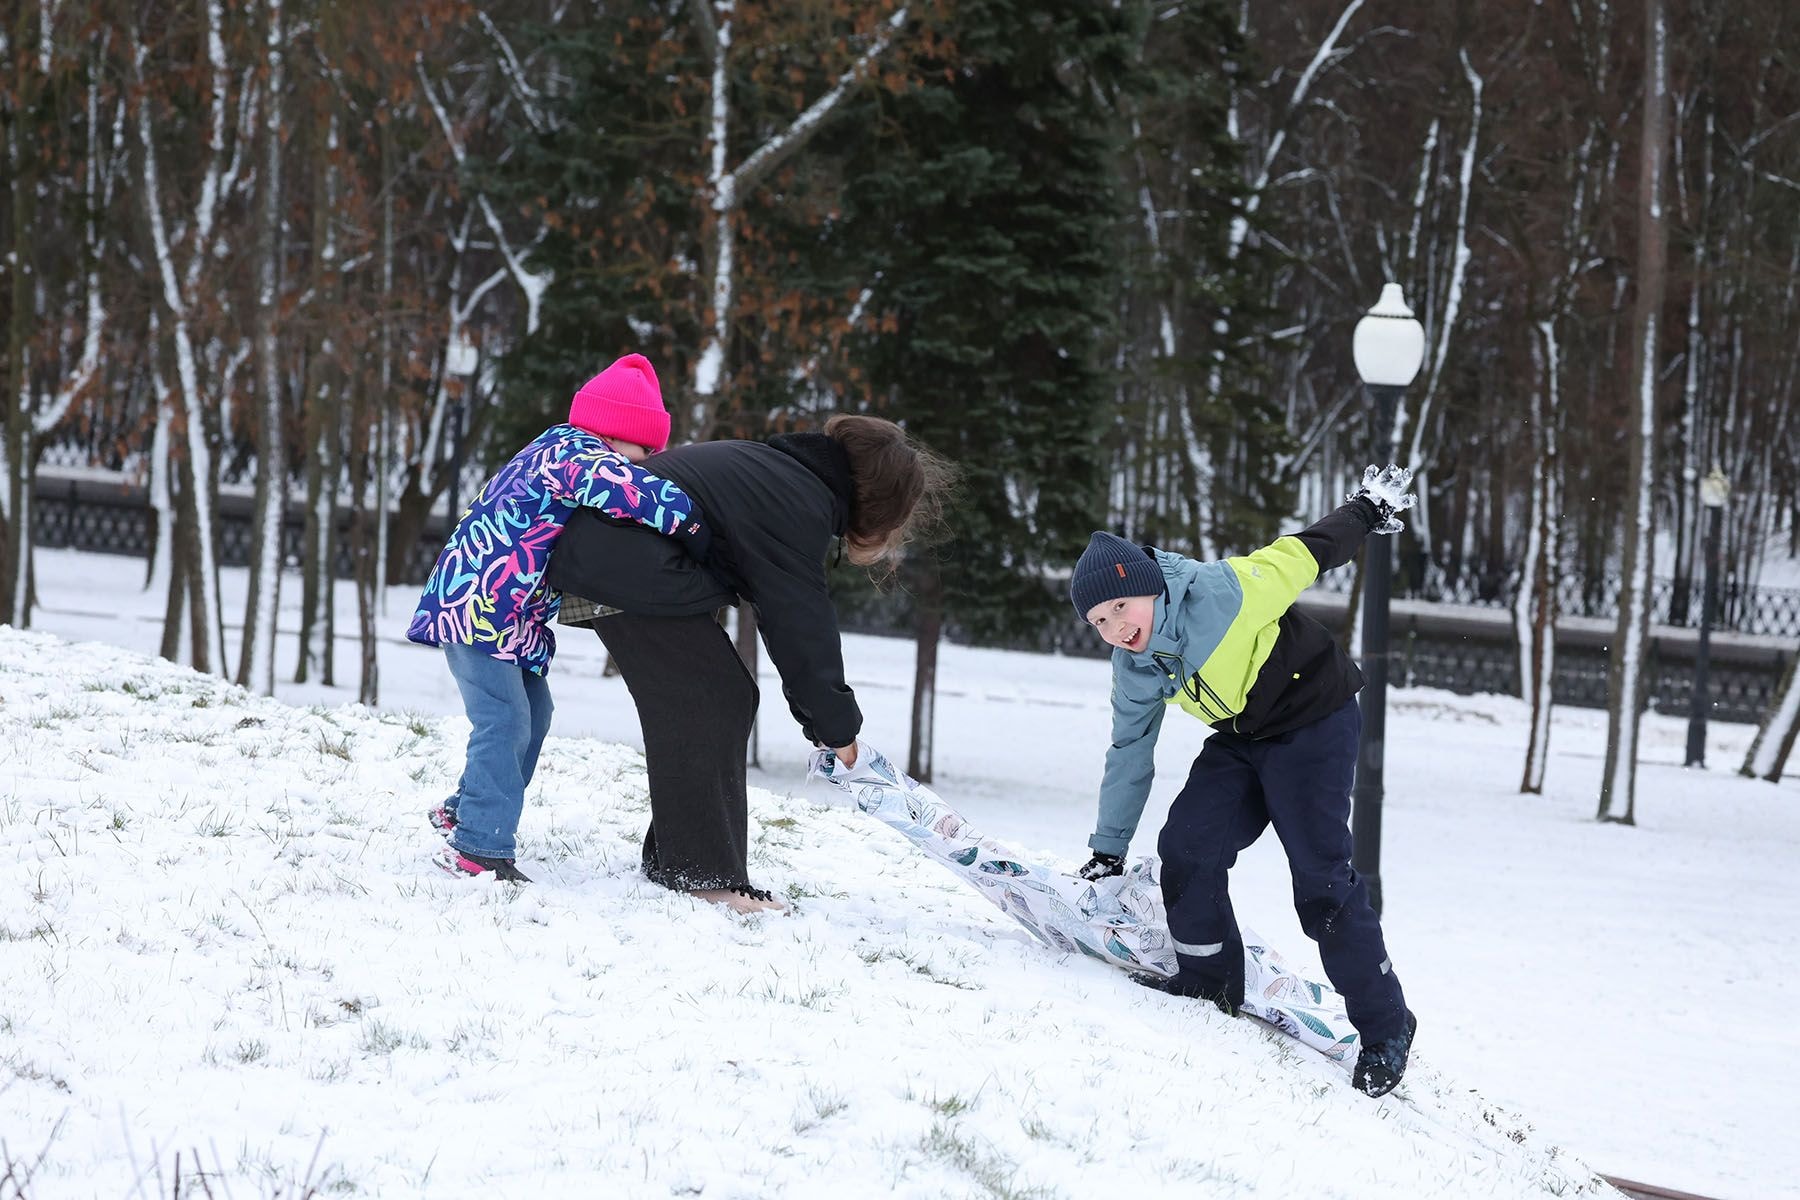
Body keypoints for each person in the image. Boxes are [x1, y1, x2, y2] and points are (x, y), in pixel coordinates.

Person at [1069, 464, 1419, 1097]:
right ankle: (1210, 983)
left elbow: (1305, 554)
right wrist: (1106, 850)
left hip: (1315, 719)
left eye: (1120, 606)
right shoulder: (1136, 665)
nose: (1117, 628)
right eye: (1099, 622)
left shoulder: (1223, 592)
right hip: (1243, 735)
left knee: (1320, 881)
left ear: (1148, 588)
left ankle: (1387, 1025)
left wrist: (1366, 509)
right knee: (1187, 849)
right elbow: (1129, 752)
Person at [546, 413, 953, 914]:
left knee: (719, 695)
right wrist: (836, 729)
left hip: (612, 556)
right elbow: (798, 622)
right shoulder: (797, 497)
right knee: (710, 696)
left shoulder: (781, 474)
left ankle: (678, 860)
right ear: (876, 500)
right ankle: (703, 875)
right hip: (618, 559)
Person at [406, 353, 709, 883]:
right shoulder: (574, 454)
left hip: (507, 613)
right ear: (617, 435)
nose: (643, 464)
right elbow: (631, 493)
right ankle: (479, 846)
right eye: (644, 453)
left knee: (533, 715)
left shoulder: (564, 450)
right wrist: (697, 515)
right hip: (478, 604)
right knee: (505, 721)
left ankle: (465, 809)